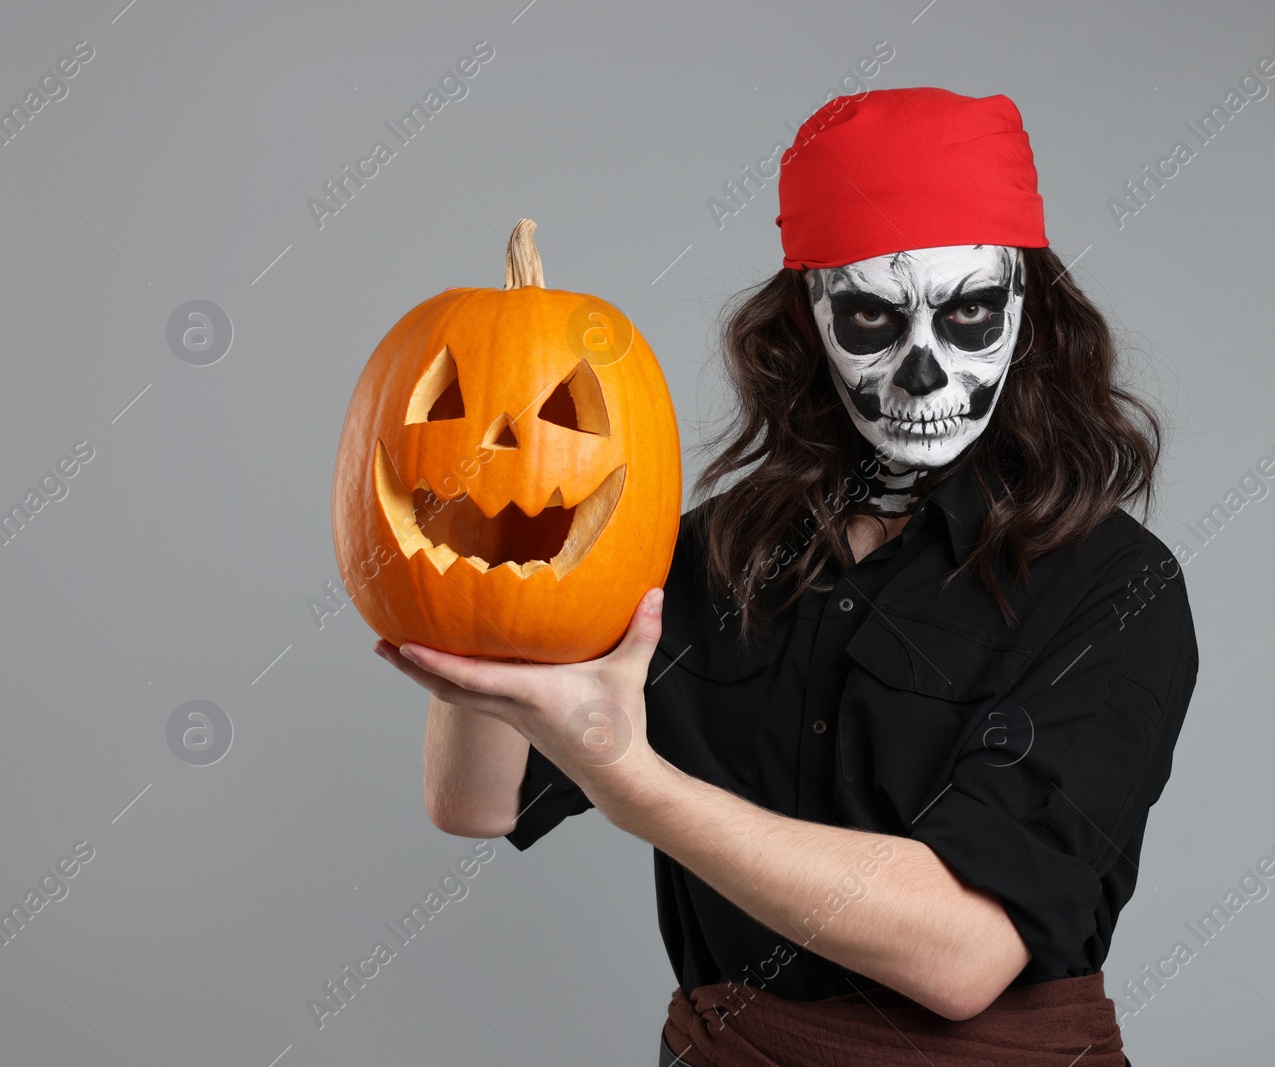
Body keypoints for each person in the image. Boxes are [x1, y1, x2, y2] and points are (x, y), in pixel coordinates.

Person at [377, 86, 1199, 1066]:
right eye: (868, 317)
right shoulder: (703, 553)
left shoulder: (1115, 587)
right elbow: (479, 801)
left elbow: (963, 952)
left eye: (971, 312)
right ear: (804, 325)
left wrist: (633, 781)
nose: (922, 372)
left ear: (1032, 317)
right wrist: (482, 549)